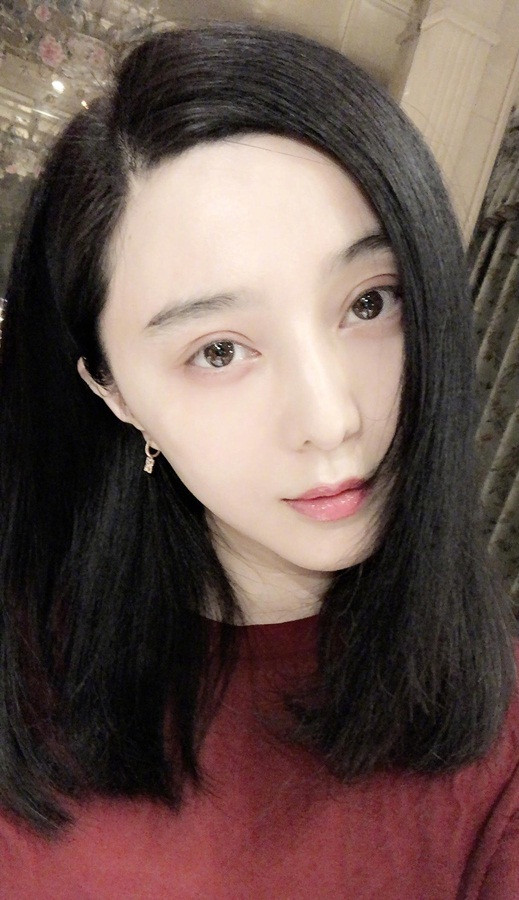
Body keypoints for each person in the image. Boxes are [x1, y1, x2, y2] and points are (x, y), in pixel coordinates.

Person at [0, 22, 517, 898]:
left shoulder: (497, 746)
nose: (329, 418)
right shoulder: (26, 663)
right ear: (114, 391)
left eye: (369, 303)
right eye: (218, 351)